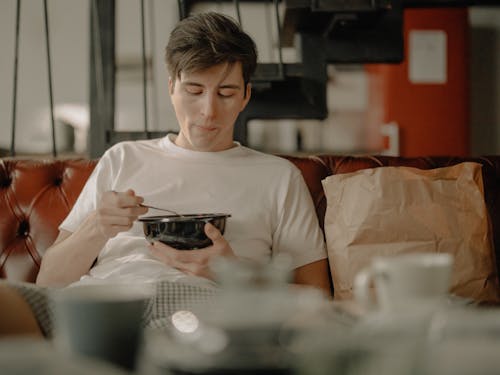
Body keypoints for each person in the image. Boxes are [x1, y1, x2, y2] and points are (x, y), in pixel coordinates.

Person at [1, 12, 330, 337]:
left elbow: (317, 299)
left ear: (245, 95)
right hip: (100, 304)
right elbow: (49, 282)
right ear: (171, 87)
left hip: (201, 310)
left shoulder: (278, 177)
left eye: (226, 93)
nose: (208, 111)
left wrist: (233, 274)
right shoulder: (123, 158)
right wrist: (96, 227)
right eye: (193, 91)